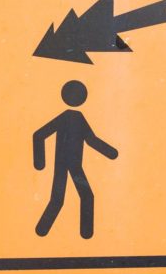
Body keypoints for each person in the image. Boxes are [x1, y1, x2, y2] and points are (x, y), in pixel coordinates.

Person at [33, 80, 118, 239]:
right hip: (72, 166)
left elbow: (39, 135)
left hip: (68, 165)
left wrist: (111, 152)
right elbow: (39, 135)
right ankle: (82, 232)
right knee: (81, 196)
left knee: (59, 198)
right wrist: (39, 163)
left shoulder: (73, 118)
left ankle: (44, 229)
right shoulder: (72, 118)